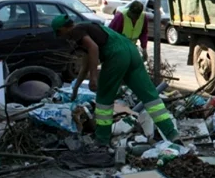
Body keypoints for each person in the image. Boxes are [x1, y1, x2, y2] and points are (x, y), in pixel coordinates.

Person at [51, 15, 179, 145]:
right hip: (131, 51)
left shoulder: (76, 31)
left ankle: (102, 139)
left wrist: (94, 78)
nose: (61, 36)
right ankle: (171, 133)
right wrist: (75, 88)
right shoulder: (89, 28)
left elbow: (93, 48)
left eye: (59, 32)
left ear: (66, 28)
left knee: (104, 99)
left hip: (116, 54)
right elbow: (85, 65)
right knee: (149, 96)